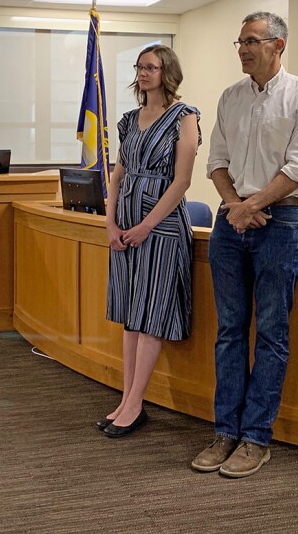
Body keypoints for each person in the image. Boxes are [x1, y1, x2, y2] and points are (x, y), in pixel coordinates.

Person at [191, 11, 298, 476]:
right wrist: (235, 205)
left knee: (270, 334)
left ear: (278, 45)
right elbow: (217, 161)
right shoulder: (230, 98)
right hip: (232, 224)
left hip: (280, 222)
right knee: (229, 332)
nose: (244, 49)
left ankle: (255, 439)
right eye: (240, 42)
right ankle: (224, 431)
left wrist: (254, 205)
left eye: (252, 41)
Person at [100, 44, 201, 438]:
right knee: (129, 316)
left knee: (150, 316)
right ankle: (126, 400)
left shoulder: (184, 117)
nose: (143, 73)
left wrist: (146, 225)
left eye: (152, 67)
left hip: (161, 227)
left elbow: (182, 181)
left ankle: (137, 402)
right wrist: (110, 224)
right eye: (140, 67)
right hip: (125, 225)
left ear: (167, 72)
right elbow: (116, 175)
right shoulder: (128, 120)